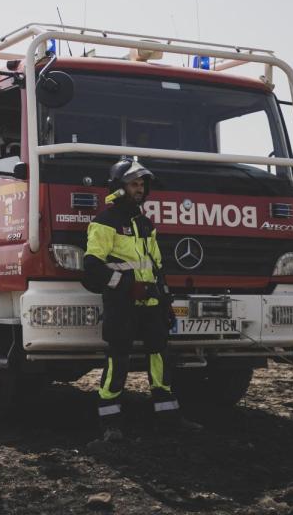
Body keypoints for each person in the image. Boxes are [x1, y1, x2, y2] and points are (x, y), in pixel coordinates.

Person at [82, 157, 182, 441]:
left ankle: (169, 419)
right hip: (121, 305)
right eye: (133, 184)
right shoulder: (104, 223)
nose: (139, 189)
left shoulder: (145, 223)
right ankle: (110, 423)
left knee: (160, 356)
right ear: (119, 187)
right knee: (119, 359)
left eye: (142, 184)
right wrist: (127, 286)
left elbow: (156, 266)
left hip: (151, 305)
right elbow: (91, 271)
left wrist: (165, 301)